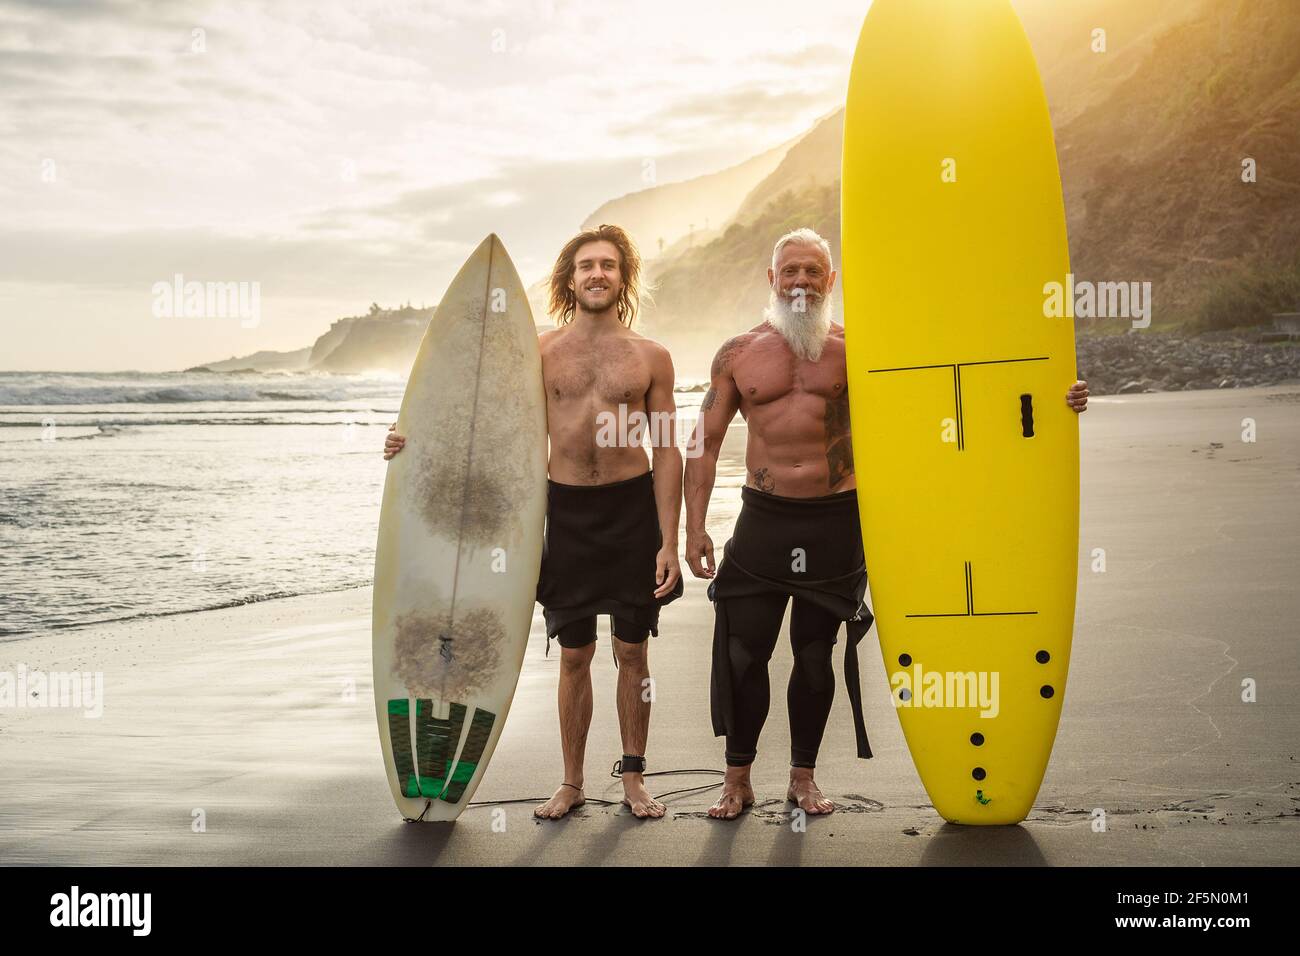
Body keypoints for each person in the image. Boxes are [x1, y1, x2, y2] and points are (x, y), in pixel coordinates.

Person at [683, 227, 1089, 819]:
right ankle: (737, 777)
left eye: (813, 272)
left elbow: (954, 390)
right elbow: (704, 443)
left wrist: (1057, 392)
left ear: (831, 281)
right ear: (772, 280)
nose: (801, 281)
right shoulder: (737, 354)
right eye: (789, 271)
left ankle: (802, 776)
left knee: (816, 653)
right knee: (744, 653)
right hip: (763, 520)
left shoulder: (862, 351)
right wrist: (694, 529)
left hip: (837, 519)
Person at [385, 224, 683, 819]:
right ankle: (571, 781)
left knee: (632, 653)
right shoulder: (539, 353)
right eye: (585, 266)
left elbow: (669, 447)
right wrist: (410, 442)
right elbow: (482, 422)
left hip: (631, 511)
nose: (596, 274)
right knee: (574, 655)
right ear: (569, 280)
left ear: (623, 278)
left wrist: (669, 539)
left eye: (607, 265)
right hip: (565, 512)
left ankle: (633, 777)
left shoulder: (652, 356)